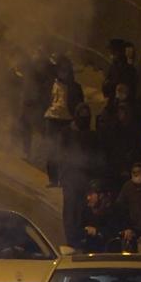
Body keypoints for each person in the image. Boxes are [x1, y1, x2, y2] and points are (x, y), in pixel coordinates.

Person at [60, 103, 103, 246]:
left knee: (83, 209)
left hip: (86, 178)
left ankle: (81, 236)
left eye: (87, 117)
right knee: (71, 210)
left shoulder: (92, 135)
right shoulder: (67, 133)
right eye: (82, 117)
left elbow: (96, 156)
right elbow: (60, 154)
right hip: (71, 179)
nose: (85, 120)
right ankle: (71, 238)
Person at [43, 55, 84, 187]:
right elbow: (44, 100)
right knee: (52, 150)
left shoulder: (75, 87)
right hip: (52, 119)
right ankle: (53, 179)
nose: (63, 73)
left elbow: (79, 105)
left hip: (67, 121)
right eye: (61, 70)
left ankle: (66, 178)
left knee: (67, 151)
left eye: (65, 70)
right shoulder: (51, 84)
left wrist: (76, 121)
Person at [79, 181, 122, 253]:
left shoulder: (114, 211)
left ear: (101, 195)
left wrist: (97, 231)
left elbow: (116, 231)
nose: (88, 197)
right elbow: (78, 231)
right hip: (90, 254)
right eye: (88, 194)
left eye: (91, 194)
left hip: (110, 254)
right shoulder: (86, 211)